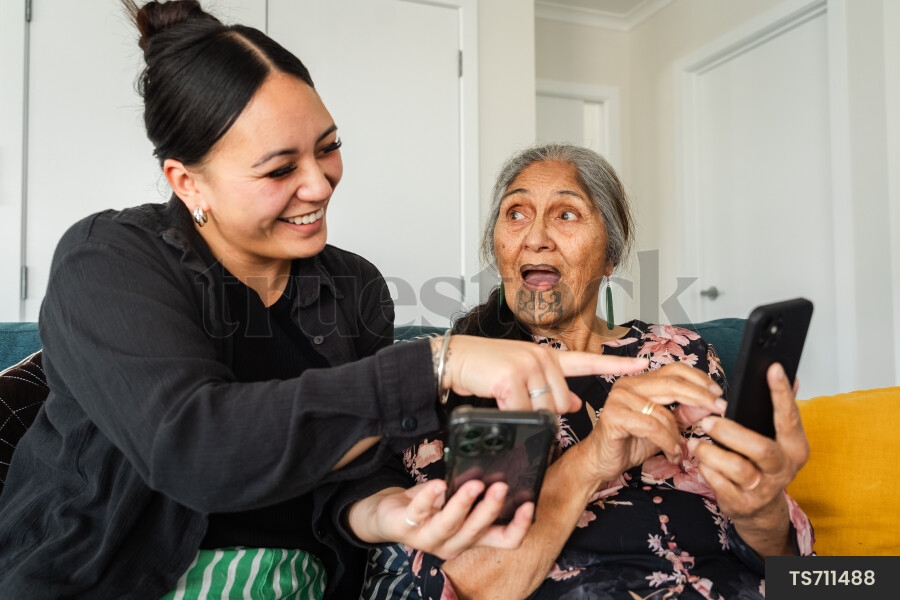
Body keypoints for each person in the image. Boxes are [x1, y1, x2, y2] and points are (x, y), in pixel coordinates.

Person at [0, 5, 648, 599]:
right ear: (187, 181)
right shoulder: (110, 258)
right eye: (280, 169)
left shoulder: (351, 287)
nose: (319, 183)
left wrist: (387, 512)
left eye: (329, 146)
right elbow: (192, 448)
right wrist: (433, 363)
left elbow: (349, 466)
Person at [362, 143, 815, 600]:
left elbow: (794, 575)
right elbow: (461, 585)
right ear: (497, 247)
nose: (535, 236)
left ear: (609, 257)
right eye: (516, 213)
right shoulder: (460, 373)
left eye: (566, 215)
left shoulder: (683, 352)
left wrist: (763, 514)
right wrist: (593, 458)